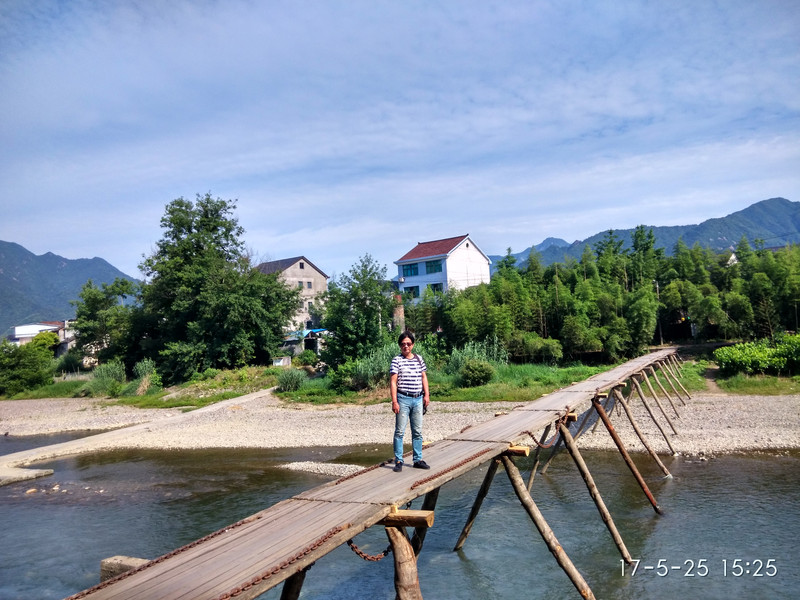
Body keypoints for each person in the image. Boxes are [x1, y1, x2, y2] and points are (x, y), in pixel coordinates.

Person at [389, 330, 431, 472]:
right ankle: (399, 460)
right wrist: (394, 401)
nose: (405, 346)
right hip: (403, 399)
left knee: (417, 431)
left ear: (412, 345)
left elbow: (423, 377)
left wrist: (427, 395)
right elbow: (393, 382)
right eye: (402, 344)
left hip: (418, 398)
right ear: (400, 346)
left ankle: (417, 459)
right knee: (400, 431)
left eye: (408, 344)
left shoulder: (419, 359)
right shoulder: (397, 360)